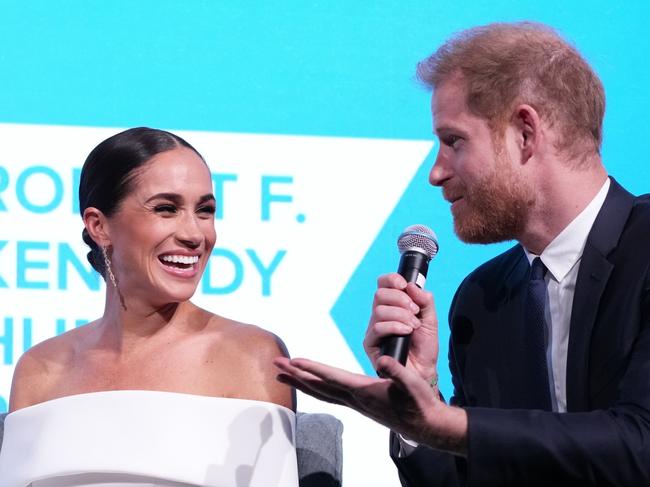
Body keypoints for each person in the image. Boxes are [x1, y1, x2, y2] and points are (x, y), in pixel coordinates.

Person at [275, 21, 650, 486]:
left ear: (525, 133)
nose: (435, 173)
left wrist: (450, 425)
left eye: (453, 141)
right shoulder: (484, 298)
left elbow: (641, 445)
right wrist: (419, 398)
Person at [0, 127, 298, 487]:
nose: (195, 234)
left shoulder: (250, 357)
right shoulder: (40, 370)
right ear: (99, 225)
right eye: (166, 209)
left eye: (204, 211)